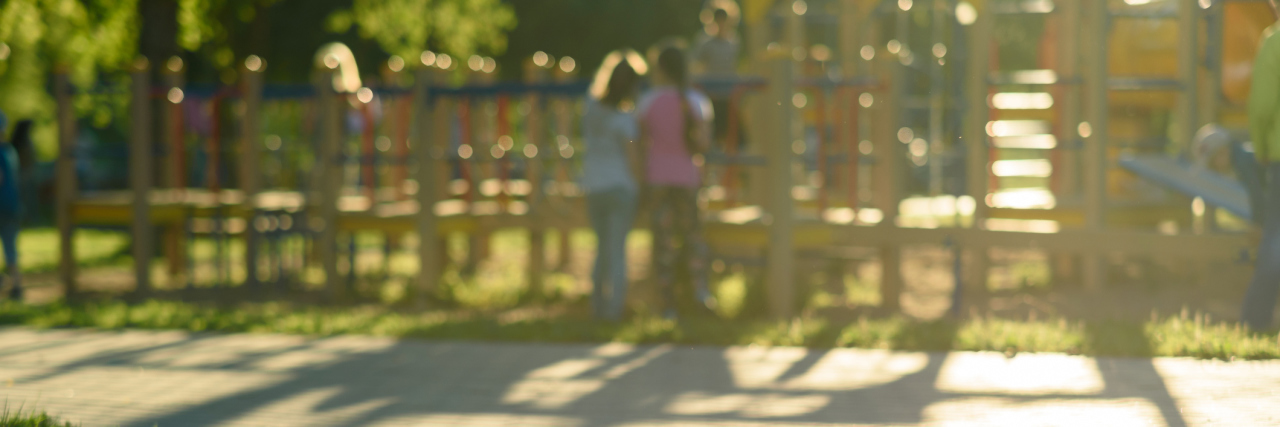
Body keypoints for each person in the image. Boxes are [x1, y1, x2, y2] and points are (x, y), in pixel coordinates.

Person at [636, 46, 716, 319]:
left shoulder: (647, 102)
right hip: (687, 177)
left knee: (663, 241)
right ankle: (699, 293)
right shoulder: (695, 101)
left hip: (657, 177)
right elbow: (703, 143)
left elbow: (640, 143)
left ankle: (666, 303)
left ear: (659, 69)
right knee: (693, 237)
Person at [582, 50, 646, 321]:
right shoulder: (625, 121)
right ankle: (614, 310)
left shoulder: (591, 110)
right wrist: (642, 185)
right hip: (620, 187)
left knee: (601, 247)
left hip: (593, 186)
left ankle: (597, 306)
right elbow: (633, 159)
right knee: (617, 249)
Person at [1242, 0, 1280, 332]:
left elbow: (1263, 105)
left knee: (1275, 239)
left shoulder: (1274, 41)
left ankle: (1256, 319)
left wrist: (1262, 148)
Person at [692, 8, 742, 150]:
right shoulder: (705, 43)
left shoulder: (734, 42)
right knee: (712, 133)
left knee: (729, 132)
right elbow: (696, 65)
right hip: (711, 94)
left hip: (728, 94)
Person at [0, 115, 30, 301]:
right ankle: (16, 286)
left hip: (2, 205)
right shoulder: (10, 150)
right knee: (11, 248)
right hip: (13, 204)